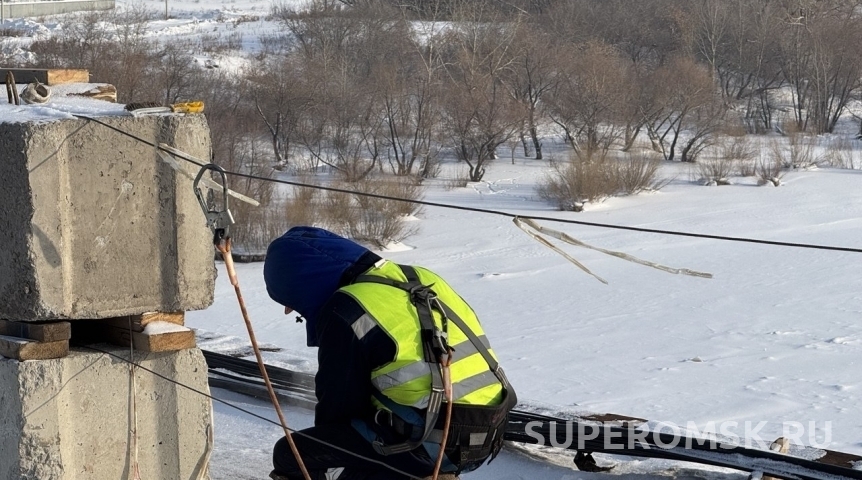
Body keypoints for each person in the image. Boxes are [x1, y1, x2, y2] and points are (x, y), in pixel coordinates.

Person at [263, 226, 517, 480]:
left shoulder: (347, 307)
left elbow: (338, 407)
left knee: (294, 454)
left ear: (302, 284)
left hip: (433, 439)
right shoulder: (418, 276)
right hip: (491, 427)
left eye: (292, 301)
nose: (291, 311)